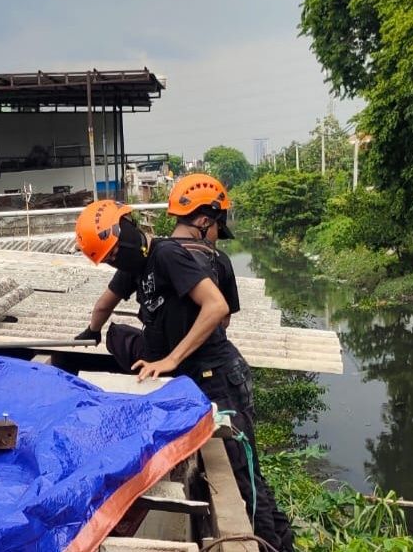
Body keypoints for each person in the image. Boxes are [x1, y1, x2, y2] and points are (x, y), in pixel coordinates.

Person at [74, 174, 295, 552]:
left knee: (244, 476)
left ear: (126, 230)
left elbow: (218, 310)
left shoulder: (167, 254)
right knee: (120, 335)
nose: (113, 261)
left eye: (113, 253)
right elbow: (104, 305)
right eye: (107, 259)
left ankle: (276, 546)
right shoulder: (139, 263)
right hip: (196, 372)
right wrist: (91, 331)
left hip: (219, 377)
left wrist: (172, 356)